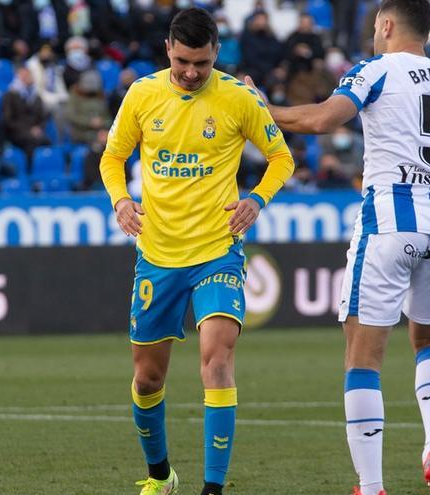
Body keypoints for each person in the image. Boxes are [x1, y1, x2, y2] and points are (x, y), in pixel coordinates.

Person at [245, 1, 430, 494]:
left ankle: (370, 486)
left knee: (362, 359)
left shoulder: (376, 70)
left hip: (390, 222)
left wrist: (261, 106)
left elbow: (323, 120)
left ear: (385, 25)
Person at [99, 9, 295, 495]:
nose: (191, 72)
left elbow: (281, 157)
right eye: (184, 61)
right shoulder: (143, 95)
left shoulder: (236, 97)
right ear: (168, 48)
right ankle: (161, 475)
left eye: (202, 63)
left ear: (216, 55)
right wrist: (121, 200)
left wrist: (255, 199)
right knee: (146, 379)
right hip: (158, 254)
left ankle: (213, 489)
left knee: (218, 359)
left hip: (217, 252)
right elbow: (112, 157)